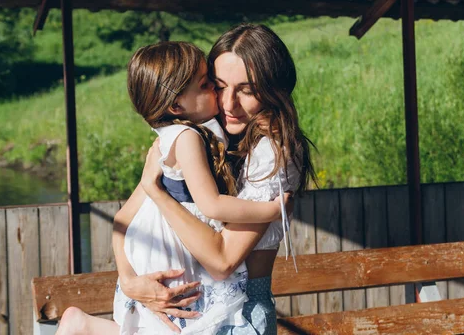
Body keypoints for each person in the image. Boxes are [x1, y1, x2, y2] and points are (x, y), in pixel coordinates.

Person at [57, 40, 290, 335]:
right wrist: (272, 209)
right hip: (180, 263)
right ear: (176, 104)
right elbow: (210, 208)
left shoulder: (191, 138)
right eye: (212, 85)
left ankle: (87, 327)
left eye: (245, 89)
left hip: (181, 262)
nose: (224, 101)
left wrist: (154, 193)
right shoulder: (187, 138)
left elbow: (125, 218)